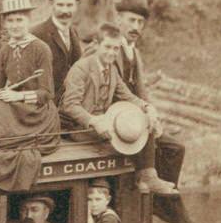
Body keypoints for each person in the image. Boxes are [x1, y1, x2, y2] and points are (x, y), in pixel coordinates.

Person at [112, 0, 221, 223]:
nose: (136, 27)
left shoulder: (133, 53)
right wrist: (142, 109)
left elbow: (140, 90)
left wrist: (151, 110)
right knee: (146, 129)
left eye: (140, 23)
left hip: (132, 116)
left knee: (175, 148)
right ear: (118, 19)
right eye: (131, 21)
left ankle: (162, 205)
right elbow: (114, 88)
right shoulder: (109, 47)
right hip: (114, 119)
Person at [59, 23, 178, 195]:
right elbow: (69, 105)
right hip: (80, 127)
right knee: (131, 130)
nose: (111, 53)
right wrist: (93, 121)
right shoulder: (81, 68)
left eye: (116, 49)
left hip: (103, 123)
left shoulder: (112, 69)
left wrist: (147, 107)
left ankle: (147, 177)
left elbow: (127, 96)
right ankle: (144, 178)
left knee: (145, 122)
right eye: (107, 47)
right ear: (96, 44)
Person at [0, 0, 55, 109]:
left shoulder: (41, 48)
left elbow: (47, 93)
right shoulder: (5, 50)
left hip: (37, 109)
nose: (14, 26)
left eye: (19, 20)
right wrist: (2, 93)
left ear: (29, 20)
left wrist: (19, 96)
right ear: (4, 23)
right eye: (10, 21)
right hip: (11, 105)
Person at [32, 0, 83, 104]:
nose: (65, 10)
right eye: (60, 5)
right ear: (51, 5)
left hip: (69, 102)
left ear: (76, 6)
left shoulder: (74, 32)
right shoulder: (38, 33)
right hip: (46, 104)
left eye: (69, 5)